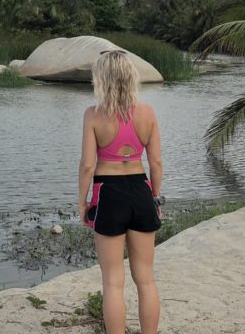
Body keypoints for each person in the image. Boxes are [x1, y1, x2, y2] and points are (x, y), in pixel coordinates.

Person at [78, 50, 163, 334]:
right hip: (141, 191)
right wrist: (156, 198)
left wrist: (82, 202)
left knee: (113, 282)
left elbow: (88, 165)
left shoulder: (93, 115)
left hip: (109, 194)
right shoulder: (148, 113)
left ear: (101, 79)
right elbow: (156, 163)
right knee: (146, 279)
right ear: (131, 76)